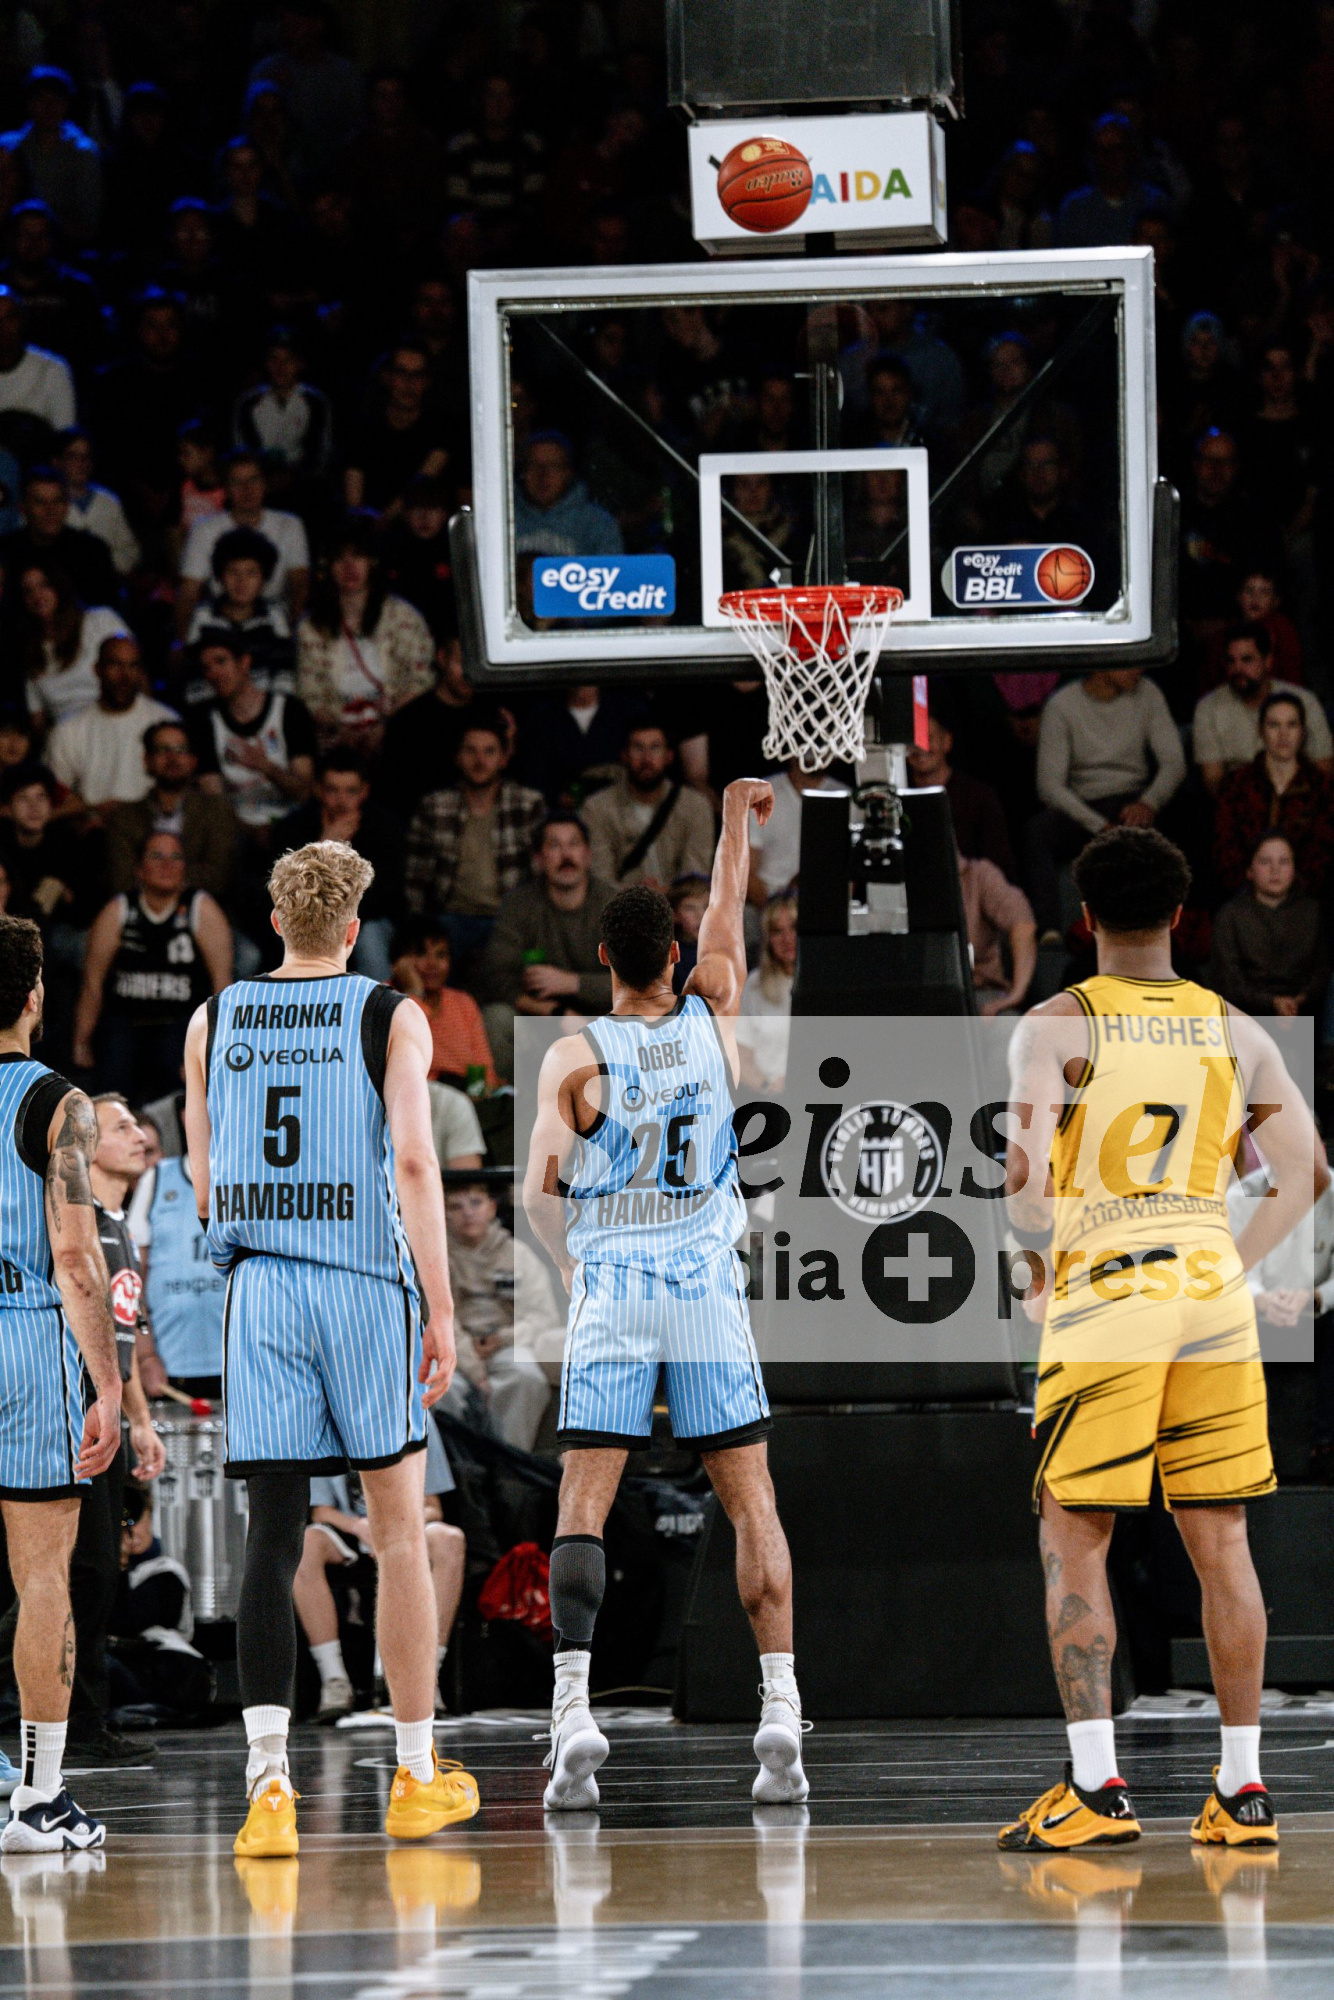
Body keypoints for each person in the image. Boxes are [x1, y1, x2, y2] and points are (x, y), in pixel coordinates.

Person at [999, 824, 1325, 1854]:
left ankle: (1096, 1787)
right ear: (1181, 917)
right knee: (1221, 1541)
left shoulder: (1056, 1024)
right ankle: (1241, 1790)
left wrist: (1037, 1264)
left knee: (1075, 1531)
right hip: (1208, 1293)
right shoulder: (1234, 1027)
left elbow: (1023, 1185)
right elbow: (1308, 1170)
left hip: (1109, 1288)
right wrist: (1229, 1258)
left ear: (1082, 919)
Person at [182, 839, 480, 1853]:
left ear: (277, 922)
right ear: (354, 930)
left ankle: (267, 1790)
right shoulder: (387, 1011)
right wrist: (440, 1305)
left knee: (273, 1536)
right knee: (398, 1531)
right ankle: (414, 1773)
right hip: (360, 1284)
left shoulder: (214, 1016)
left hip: (260, 1286)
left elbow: (202, 1178)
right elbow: (414, 1161)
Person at [523, 779, 808, 1809]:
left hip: (615, 1285)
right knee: (751, 1499)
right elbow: (728, 909)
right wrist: (732, 822)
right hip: (703, 1287)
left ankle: (573, 1711)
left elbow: (539, 1194)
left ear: (603, 957)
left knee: (584, 1501)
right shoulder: (710, 1017)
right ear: (675, 957)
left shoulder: (574, 1057)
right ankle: (780, 1709)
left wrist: (571, 1263)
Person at [0, 915, 121, 1849]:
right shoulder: (59, 1104)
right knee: (43, 1576)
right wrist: (108, 1387)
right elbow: (77, 1261)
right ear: (37, 994)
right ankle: (40, 1800)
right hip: (23, 1337)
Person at [66, 1095, 165, 1757]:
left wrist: (142, 1422)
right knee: (82, 1571)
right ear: (85, 1148)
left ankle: (84, 1721)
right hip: (70, 1415)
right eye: (121, 1127)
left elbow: (120, 1335)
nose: (140, 1134)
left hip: (106, 1418)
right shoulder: (76, 1226)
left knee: (100, 1573)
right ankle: (68, 1724)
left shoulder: (120, 1226)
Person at [295, 1424, 463, 1722]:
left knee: (450, 1540)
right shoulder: (323, 1418)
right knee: (304, 1545)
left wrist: (398, 1527)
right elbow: (321, 1511)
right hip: (350, 1528)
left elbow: (432, 1506)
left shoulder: (417, 1416)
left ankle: (427, 1677)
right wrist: (361, 1527)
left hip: (406, 1525)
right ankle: (334, 1679)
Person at [1027, 669, 1186, 937]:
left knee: (1184, 817)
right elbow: (1049, 786)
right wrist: (1099, 826)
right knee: (1037, 831)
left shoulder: (1147, 692)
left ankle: (1172, 927)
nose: (1139, 669)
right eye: (1129, 662)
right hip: (1084, 805)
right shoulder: (1062, 704)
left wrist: (1149, 802)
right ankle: (1049, 930)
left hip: (1133, 798)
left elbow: (1174, 763)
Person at [74, 831, 231, 1099]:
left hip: (179, 1023)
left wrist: (212, 1047)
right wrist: (81, 1041)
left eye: (176, 857)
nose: (167, 864)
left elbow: (222, 986)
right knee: (113, 1068)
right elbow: (92, 983)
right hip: (126, 1022)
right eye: (156, 856)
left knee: (174, 1068)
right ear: (139, 869)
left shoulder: (201, 908)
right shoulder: (119, 909)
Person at [479, 815, 615, 1080]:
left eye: (573, 844)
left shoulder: (614, 904)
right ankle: (507, 1102)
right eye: (554, 846)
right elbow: (495, 980)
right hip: (541, 1022)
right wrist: (557, 1013)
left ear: (588, 855)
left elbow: (638, 981)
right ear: (539, 859)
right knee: (496, 1018)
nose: (566, 855)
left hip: (604, 1022)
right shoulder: (519, 905)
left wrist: (572, 983)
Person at [403, 720, 546, 966]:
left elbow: (542, 873)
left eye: (489, 751)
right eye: (471, 751)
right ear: (458, 757)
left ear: (503, 758)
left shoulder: (528, 804)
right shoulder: (434, 806)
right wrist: (418, 932)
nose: (480, 760)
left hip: (508, 918)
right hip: (450, 919)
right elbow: (415, 880)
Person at [295, 514, 434, 755]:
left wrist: (386, 725)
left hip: (397, 727)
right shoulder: (311, 626)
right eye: (340, 558)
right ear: (328, 567)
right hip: (335, 736)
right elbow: (309, 693)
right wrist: (341, 730)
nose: (349, 566)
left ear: (372, 562)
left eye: (358, 556)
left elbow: (420, 680)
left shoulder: (403, 616)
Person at [445, 1179, 558, 1452]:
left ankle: (510, 1463)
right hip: (453, 1350)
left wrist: (503, 1338)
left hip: (508, 1345)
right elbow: (438, 1319)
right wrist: (474, 1369)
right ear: (444, 1213)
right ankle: (463, 1468)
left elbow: (544, 1316)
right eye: (456, 1206)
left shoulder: (519, 1254)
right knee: (441, 1390)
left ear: (492, 1208)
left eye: (476, 1203)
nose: (468, 1213)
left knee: (527, 1378)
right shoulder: (437, 1258)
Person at [274, 755, 403, 981]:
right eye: (332, 790)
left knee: (367, 935)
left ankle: (378, 1002)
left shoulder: (384, 827)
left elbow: (386, 893)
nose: (342, 800)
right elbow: (286, 890)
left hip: (366, 917)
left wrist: (340, 917)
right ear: (318, 790)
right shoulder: (294, 827)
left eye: (351, 791)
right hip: (307, 917)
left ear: (364, 791)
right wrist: (324, 845)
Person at [189, 629, 316, 836]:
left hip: (292, 823)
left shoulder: (289, 710)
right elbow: (214, 800)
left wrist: (266, 767)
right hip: (237, 831)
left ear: (244, 662)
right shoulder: (205, 722)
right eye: (207, 668)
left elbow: (304, 792)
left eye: (221, 662)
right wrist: (251, 833)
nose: (214, 674)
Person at [176, 451, 310, 642]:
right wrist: (181, 641)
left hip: (275, 622)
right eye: (236, 482)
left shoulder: (289, 525)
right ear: (225, 488)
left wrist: (291, 631)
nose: (247, 489)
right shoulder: (204, 529)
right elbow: (188, 592)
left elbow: (300, 584)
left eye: (253, 480)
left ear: (264, 484)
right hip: (219, 624)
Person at [127, 1144, 224, 1398]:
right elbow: (132, 1281)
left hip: (240, 1367)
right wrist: (145, 1355)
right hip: (170, 1373)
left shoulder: (246, 1175)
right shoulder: (157, 1178)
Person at [1213, 692, 1334, 894]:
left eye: (1291, 725)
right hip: (1245, 896)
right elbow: (1225, 849)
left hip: (1307, 898)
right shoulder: (1236, 785)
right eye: (1274, 725)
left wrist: (1294, 890)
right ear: (1261, 731)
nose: (1283, 734)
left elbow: (1324, 852)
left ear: (1302, 731)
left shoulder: (1323, 787)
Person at [105, 719, 237, 903]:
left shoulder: (217, 810)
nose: (172, 758)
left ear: (193, 761)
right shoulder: (124, 816)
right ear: (147, 761)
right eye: (162, 750)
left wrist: (153, 874)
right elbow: (122, 881)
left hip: (204, 910)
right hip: (139, 912)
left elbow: (218, 877)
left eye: (180, 750)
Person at [1193, 623, 1332, 796]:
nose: (1238, 669)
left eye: (1247, 660)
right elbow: (1213, 780)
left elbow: (1324, 767)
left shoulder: (1304, 701)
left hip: (1299, 797)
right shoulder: (1208, 708)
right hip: (1238, 800)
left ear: (1268, 661)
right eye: (1231, 661)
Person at [45, 635, 178, 812]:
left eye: (133, 666)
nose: (125, 675)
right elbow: (54, 797)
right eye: (115, 665)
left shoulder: (167, 722)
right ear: (97, 670)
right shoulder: (69, 729)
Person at [583, 718, 716, 890]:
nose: (646, 759)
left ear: (669, 756)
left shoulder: (695, 806)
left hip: (680, 903)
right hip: (621, 903)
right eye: (638, 748)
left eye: (655, 748)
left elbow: (695, 877)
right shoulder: (597, 808)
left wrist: (664, 894)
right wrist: (638, 896)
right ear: (624, 755)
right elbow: (600, 880)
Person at [1210, 831, 1329, 1017]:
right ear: (1249, 870)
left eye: (1284, 862)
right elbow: (1228, 980)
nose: (1275, 870)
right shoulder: (1230, 915)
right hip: (1245, 1016)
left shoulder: (1312, 912)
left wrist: (1297, 1001)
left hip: (1301, 1014)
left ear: (1294, 869)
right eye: (1265, 862)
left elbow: (1321, 972)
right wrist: (1272, 1003)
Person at [182, 527, 297, 699]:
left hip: (266, 707)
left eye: (251, 573)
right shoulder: (203, 617)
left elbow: (284, 678)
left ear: (264, 578)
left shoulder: (275, 616)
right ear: (220, 576)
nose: (242, 582)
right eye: (233, 572)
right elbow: (196, 680)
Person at [343, 340, 451, 517]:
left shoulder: (441, 429)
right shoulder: (362, 428)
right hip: (367, 525)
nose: (409, 383)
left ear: (427, 381)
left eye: (417, 375)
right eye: (401, 373)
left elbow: (423, 482)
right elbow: (354, 502)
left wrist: (385, 520)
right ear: (386, 377)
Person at [906, 712, 1017, 878]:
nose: (920, 748)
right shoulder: (897, 800)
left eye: (928, 738)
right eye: (913, 741)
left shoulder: (979, 798)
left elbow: (999, 867)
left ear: (947, 741)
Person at [18, 563, 130, 727]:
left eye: (43, 585)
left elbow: (136, 674)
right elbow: (37, 716)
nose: (37, 595)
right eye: (28, 591)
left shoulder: (100, 620)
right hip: (67, 734)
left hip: (116, 721)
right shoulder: (33, 651)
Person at [0, 465, 122, 612]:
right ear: (23, 508)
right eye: (40, 502)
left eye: (57, 501)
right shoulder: (5, 553)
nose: (50, 510)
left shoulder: (92, 551)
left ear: (67, 505)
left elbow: (107, 610)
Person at [396, 926, 497, 1088]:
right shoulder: (385, 999)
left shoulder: (463, 1003)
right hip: (415, 1091)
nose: (432, 964)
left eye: (441, 955)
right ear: (401, 962)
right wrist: (414, 993)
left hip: (464, 1093)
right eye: (421, 954)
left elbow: (484, 1070)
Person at [747, 759, 842, 905]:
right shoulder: (761, 795)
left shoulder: (846, 799)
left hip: (822, 904)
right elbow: (746, 870)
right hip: (767, 903)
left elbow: (849, 875)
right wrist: (773, 910)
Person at [54, 430, 140, 579]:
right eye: (73, 457)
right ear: (57, 462)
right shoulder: (47, 500)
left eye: (86, 457)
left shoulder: (108, 501)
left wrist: (102, 566)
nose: (81, 463)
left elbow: (129, 550)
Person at [960, 855, 1039, 1015]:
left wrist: (1016, 994)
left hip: (978, 992)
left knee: (1007, 1023)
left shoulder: (977, 875)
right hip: (917, 997)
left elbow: (1022, 922)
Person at [735, 893, 795, 1092]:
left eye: (794, 928)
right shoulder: (755, 984)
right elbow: (740, 1054)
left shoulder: (827, 984)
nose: (787, 938)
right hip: (770, 1097)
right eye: (777, 931)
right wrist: (767, 1087)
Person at [0, 285, 76, 439]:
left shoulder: (53, 369)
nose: (3, 328)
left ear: (22, 320)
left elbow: (65, 435)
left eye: (10, 318)